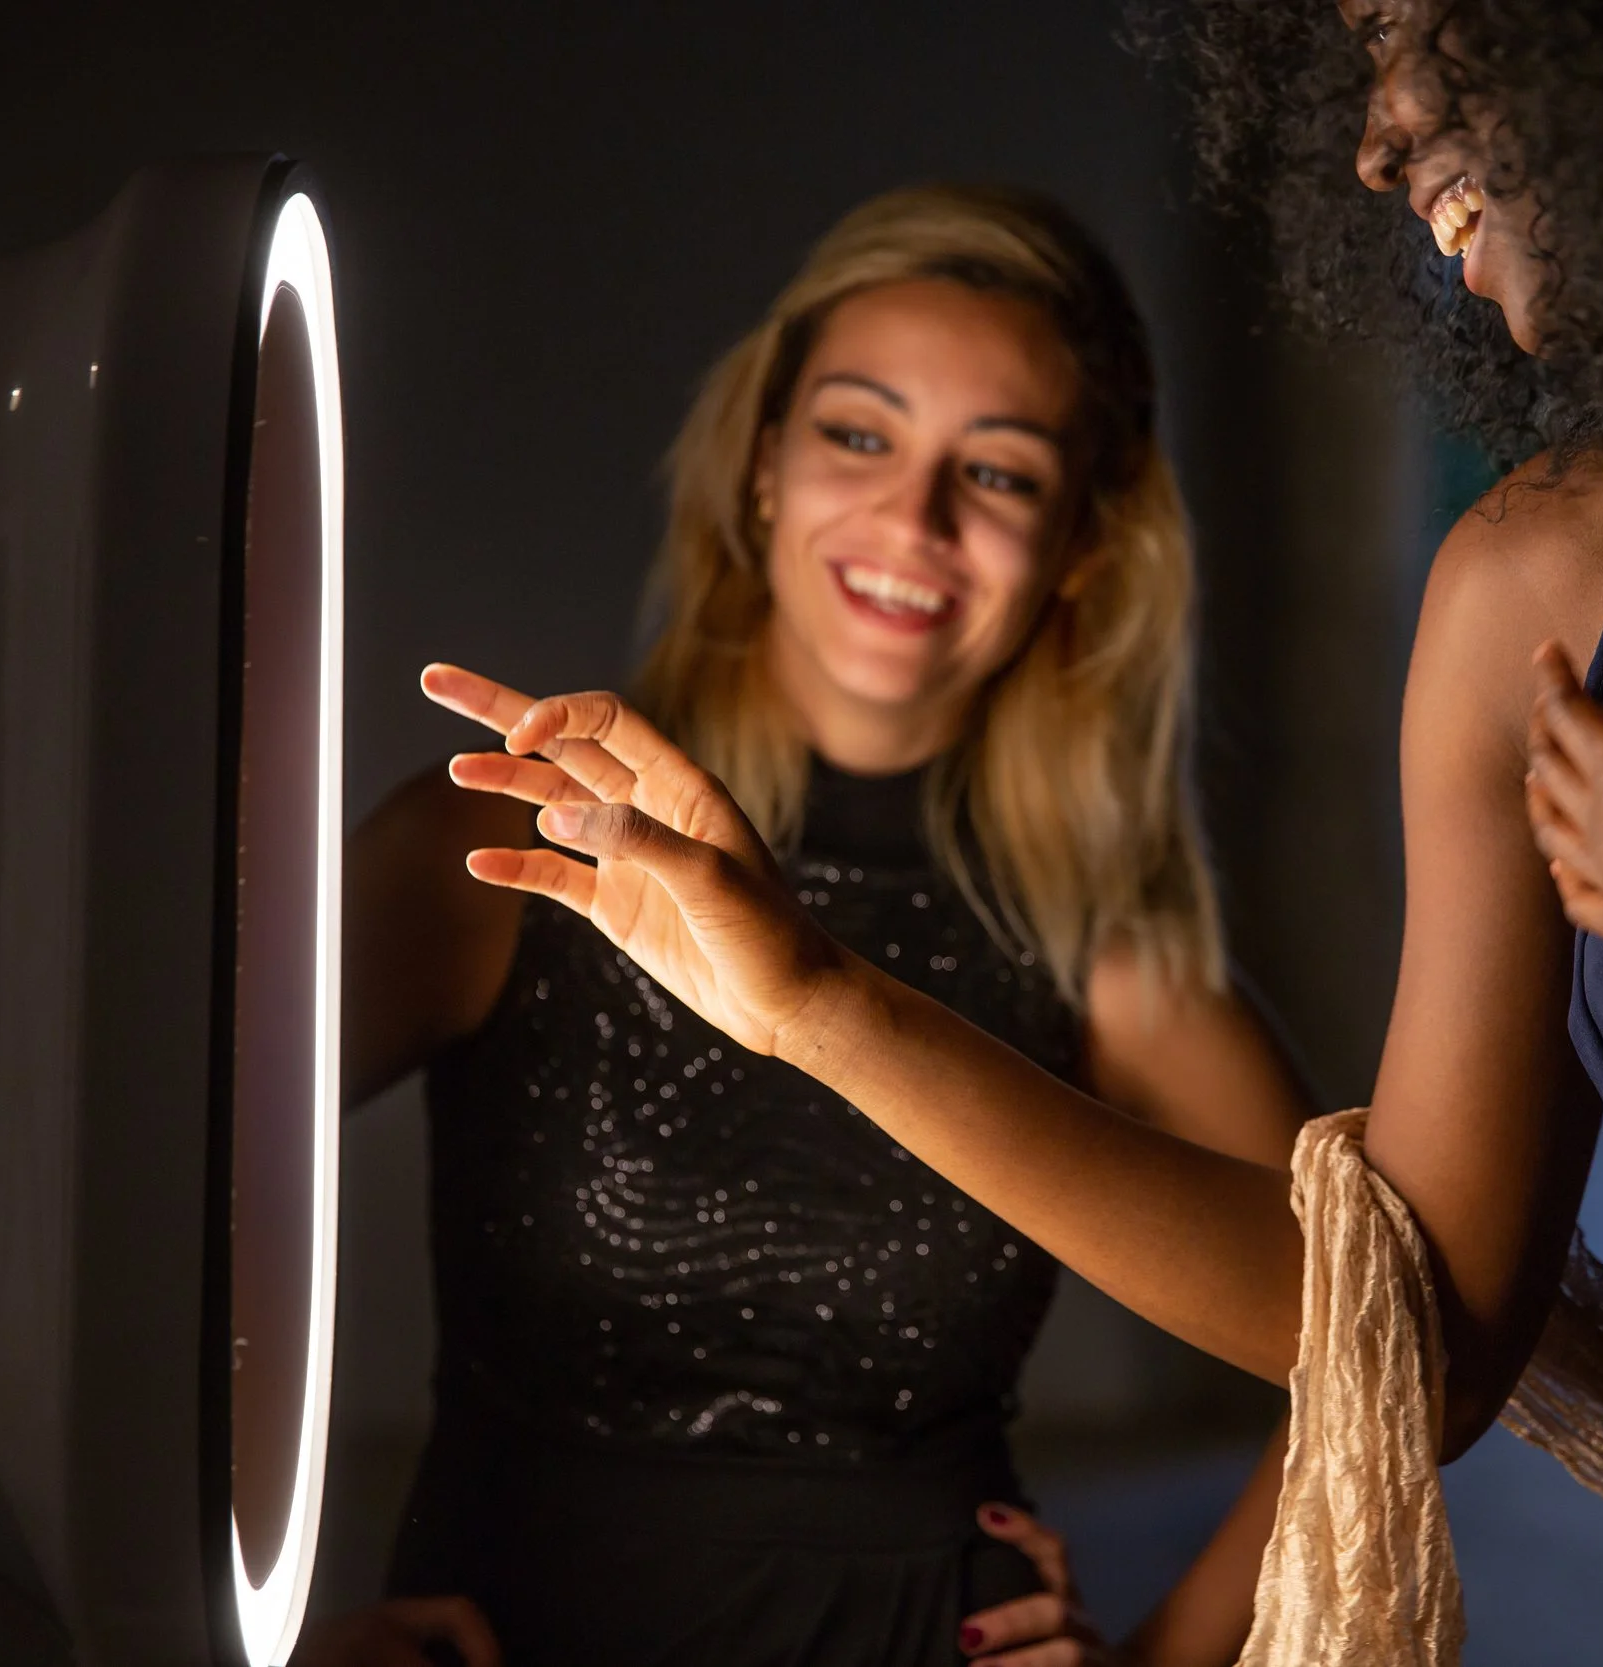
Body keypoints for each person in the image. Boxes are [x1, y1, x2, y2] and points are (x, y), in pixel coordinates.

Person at [425, 3, 1603, 1664]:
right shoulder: (1531, 594)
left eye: (1415, 28)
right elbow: (1415, 1343)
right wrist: (809, 998)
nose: (1375, 137)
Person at [314, 185, 1311, 1667]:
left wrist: (1169, 1660)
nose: (913, 518)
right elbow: (122, 1206)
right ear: (764, 465)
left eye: (1004, 474)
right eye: (860, 433)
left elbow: (1383, 1347)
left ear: (1085, 548)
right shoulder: (509, 844)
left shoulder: (1105, 957)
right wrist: (246, 1620)